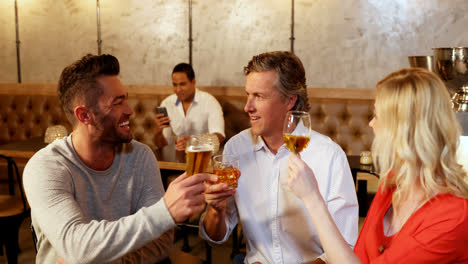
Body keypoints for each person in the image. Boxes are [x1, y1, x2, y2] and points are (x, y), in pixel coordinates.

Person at [23, 54, 215, 264]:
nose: (129, 110)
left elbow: (161, 242)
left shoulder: (141, 157)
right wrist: (164, 212)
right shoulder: (45, 167)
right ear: (84, 116)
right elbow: (76, 248)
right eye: (117, 103)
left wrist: (97, 259)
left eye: (125, 99)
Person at [287, 68, 468, 263]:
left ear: (403, 129)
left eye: (378, 115)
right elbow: (359, 258)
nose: (371, 123)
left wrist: (312, 198)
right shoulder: (393, 182)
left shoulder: (452, 215)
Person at [200, 51, 359, 263]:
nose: (248, 107)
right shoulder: (235, 148)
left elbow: (345, 249)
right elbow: (216, 238)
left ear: (290, 100)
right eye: (248, 95)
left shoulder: (329, 156)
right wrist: (215, 210)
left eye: (259, 96)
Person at [154, 63, 225, 153]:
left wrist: (194, 141)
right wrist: (159, 132)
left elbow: (219, 137)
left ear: (193, 82)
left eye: (182, 84)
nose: (178, 89)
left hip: (204, 155)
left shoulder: (209, 101)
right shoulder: (166, 103)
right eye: (175, 85)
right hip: (177, 158)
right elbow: (162, 146)